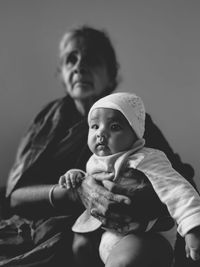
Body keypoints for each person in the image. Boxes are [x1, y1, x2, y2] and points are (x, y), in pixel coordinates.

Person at [2, 25, 197, 267]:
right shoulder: (47, 121)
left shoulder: (136, 125)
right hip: (58, 227)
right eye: (70, 59)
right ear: (61, 72)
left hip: (120, 229)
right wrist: (79, 191)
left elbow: (180, 181)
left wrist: (130, 194)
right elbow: (16, 197)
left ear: (112, 74)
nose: (79, 66)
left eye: (91, 58)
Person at [59, 92, 200, 267]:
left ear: (135, 134)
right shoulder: (95, 161)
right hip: (107, 234)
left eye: (115, 127)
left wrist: (192, 228)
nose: (101, 132)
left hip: (148, 236)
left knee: (124, 263)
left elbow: (177, 189)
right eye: (94, 126)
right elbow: (90, 179)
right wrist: (75, 175)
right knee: (79, 245)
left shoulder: (147, 158)